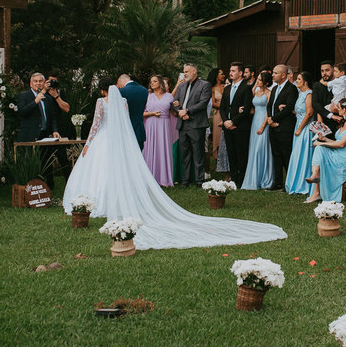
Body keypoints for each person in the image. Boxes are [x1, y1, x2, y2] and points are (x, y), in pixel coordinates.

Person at [61, 82, 286, 247]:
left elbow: (95, 126)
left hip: (103, 141)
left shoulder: (102, 102)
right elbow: (125, 124)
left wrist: (88, 145)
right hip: (120, 142)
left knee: (98, 172)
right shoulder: (123, 102)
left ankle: (95, 202)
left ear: (102, 92)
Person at [304, 98, 346, 203]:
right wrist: (325, 139)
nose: (336, 108)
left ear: (344, 110)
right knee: (320, 149)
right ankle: (315, 177)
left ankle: (317, 188)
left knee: (320, 147)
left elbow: (341, 144)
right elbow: (337, 141)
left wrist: (321, 143)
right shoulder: (344, 122)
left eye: (338, 107)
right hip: (339, 152)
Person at [169, 63, 209, 186]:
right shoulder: (181, 86)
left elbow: (203, 103)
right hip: (182, 124)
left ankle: (199, 180)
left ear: (194, 71)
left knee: (198, 153)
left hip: (196, 124)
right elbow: (174, 102)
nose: (184, 74)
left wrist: (187, 111)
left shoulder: (204, 85)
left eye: (187, 71)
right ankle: (185, 180)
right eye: (184, 71)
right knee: (184, 153)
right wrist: (180, 112)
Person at [139, 74, 177, 187]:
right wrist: (152, 113)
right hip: (151, 125)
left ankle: (165, 179)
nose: (152, 83)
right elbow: (141, 113)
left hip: (164, 125)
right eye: (151, 82)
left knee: (163, 149)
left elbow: (174, 113)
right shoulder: (148, 96)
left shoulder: (169, 97)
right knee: (150, 149)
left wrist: (177, 106)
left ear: (160, 83)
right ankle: (150, 178)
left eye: (154, 81)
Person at [265, 64, 298, 190]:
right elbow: (269, 105)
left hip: (285, 127)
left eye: (275, 73)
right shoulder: (274, 89)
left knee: (286, 156)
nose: (272, 75)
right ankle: (277, 182)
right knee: (276, 156)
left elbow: (289, 108)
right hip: (273, 127)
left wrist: (274, 119)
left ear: (283, 75)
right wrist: (269, 119)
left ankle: (288, 183)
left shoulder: (291, 89)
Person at [220, 62, 253, 186]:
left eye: (233, 71)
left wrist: (233, 121)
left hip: (241, 127)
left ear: (240, 73)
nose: (230, 73)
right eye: (230, 70)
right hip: (227, 126)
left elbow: (246, 108)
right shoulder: (227, 88)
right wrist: (226, 121)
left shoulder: (246, 88)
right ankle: (233, 179)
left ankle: (241, 180)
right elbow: (223, 107)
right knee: (231, 153)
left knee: (241, 153)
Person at [285, 71, 317, 195]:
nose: (296, 81)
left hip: (306, 128)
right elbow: (300, 111)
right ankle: (296, 181)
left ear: (305, 81)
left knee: (303, 154)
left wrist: (300, 129)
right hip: (299, 125)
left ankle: (304, 184)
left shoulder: (309, 94)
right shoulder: (301, 94)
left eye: (299, 79)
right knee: (297, 154)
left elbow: (309, 113)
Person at [242, 70, 274, 190]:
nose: (258, 81)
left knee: (261, 149)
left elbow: (268, 110)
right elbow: (251, 97)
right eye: (258, 79)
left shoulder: (269, 93)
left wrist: (263, 126)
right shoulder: (255, 91)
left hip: (263, 121)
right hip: (255, 121)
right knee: (254, 148)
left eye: (260, 80)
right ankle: (253, 179)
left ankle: (264, 178)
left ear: (266, 82)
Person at [117, 74, 149, 149]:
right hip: (139, 130)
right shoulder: (144, 90)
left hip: (125, 131)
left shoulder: (121, 91)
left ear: (119, 81)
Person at [207, 68, 226, 175]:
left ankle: (225, 161)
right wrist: (224, 106)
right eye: (221, 74)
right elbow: (213, 103)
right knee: (218, 137)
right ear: (216, 76)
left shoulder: (226, 86)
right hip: (218, 114)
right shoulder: (212, 88)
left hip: (227, 113)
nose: (223, 75)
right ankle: (218, 162)